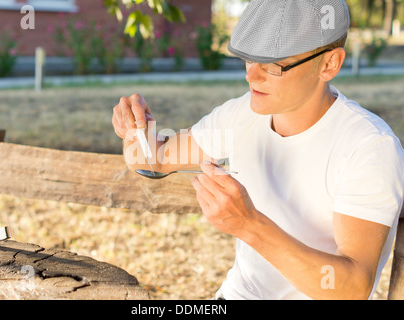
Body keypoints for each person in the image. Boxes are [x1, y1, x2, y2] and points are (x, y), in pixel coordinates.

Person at [112, 0, 404, 299]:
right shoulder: (243, 114)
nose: (251, 75)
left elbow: (352, 288)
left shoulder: (368, 146)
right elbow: (153, 159)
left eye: (273, 64)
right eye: (250, 58)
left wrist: (250, 225)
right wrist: (135, 129)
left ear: (329, 64)